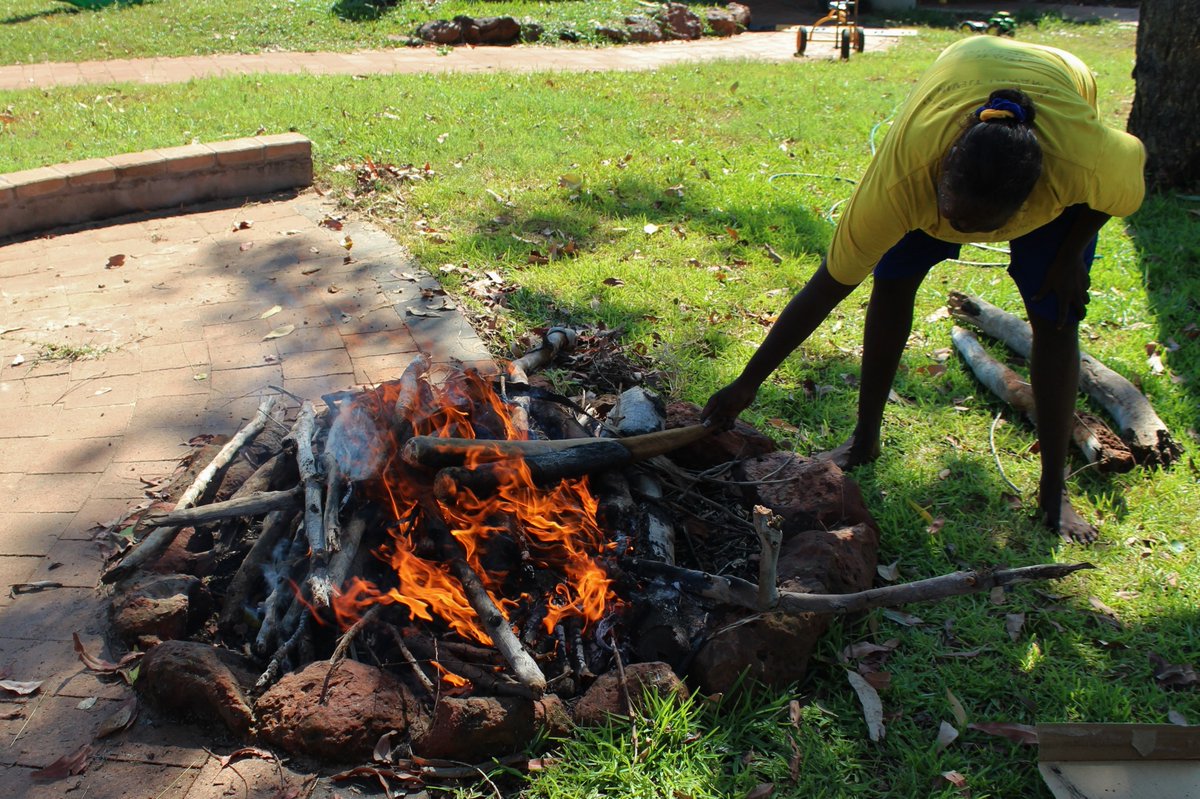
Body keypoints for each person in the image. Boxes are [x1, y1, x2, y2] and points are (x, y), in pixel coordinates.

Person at [700, 36, 1145, 544]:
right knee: (892, 282)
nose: (963, 233)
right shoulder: (899, 183)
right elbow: (829, 286)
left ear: (1034, 199)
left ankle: (1052, 491)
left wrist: (1069, 255)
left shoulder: (1081, 162)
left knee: (1057, 317)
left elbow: (1126, 177)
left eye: (981, 227)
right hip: (960, 69)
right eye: (953, 219)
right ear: (939, 177)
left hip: (1063, 83)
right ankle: (865, 438)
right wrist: (747, 382)